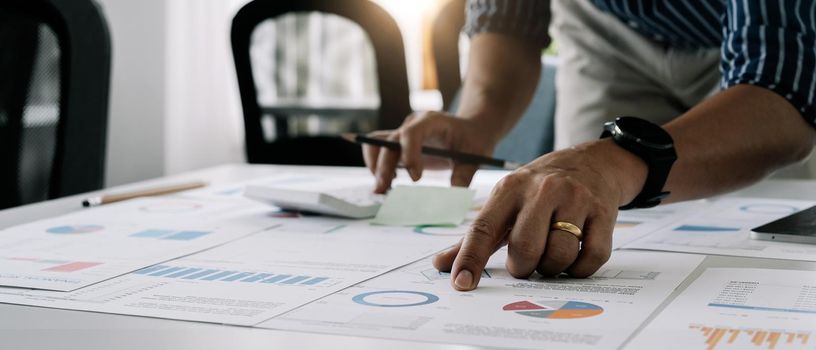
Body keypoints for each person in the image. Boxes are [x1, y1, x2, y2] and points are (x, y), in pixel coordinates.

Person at [363, 0, 816, 291]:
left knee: (769, 230)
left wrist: (616, 162)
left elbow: (783, 91)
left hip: (775, 29)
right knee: (568, 208)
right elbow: (509, 15)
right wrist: (480, 118)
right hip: (608, 20)